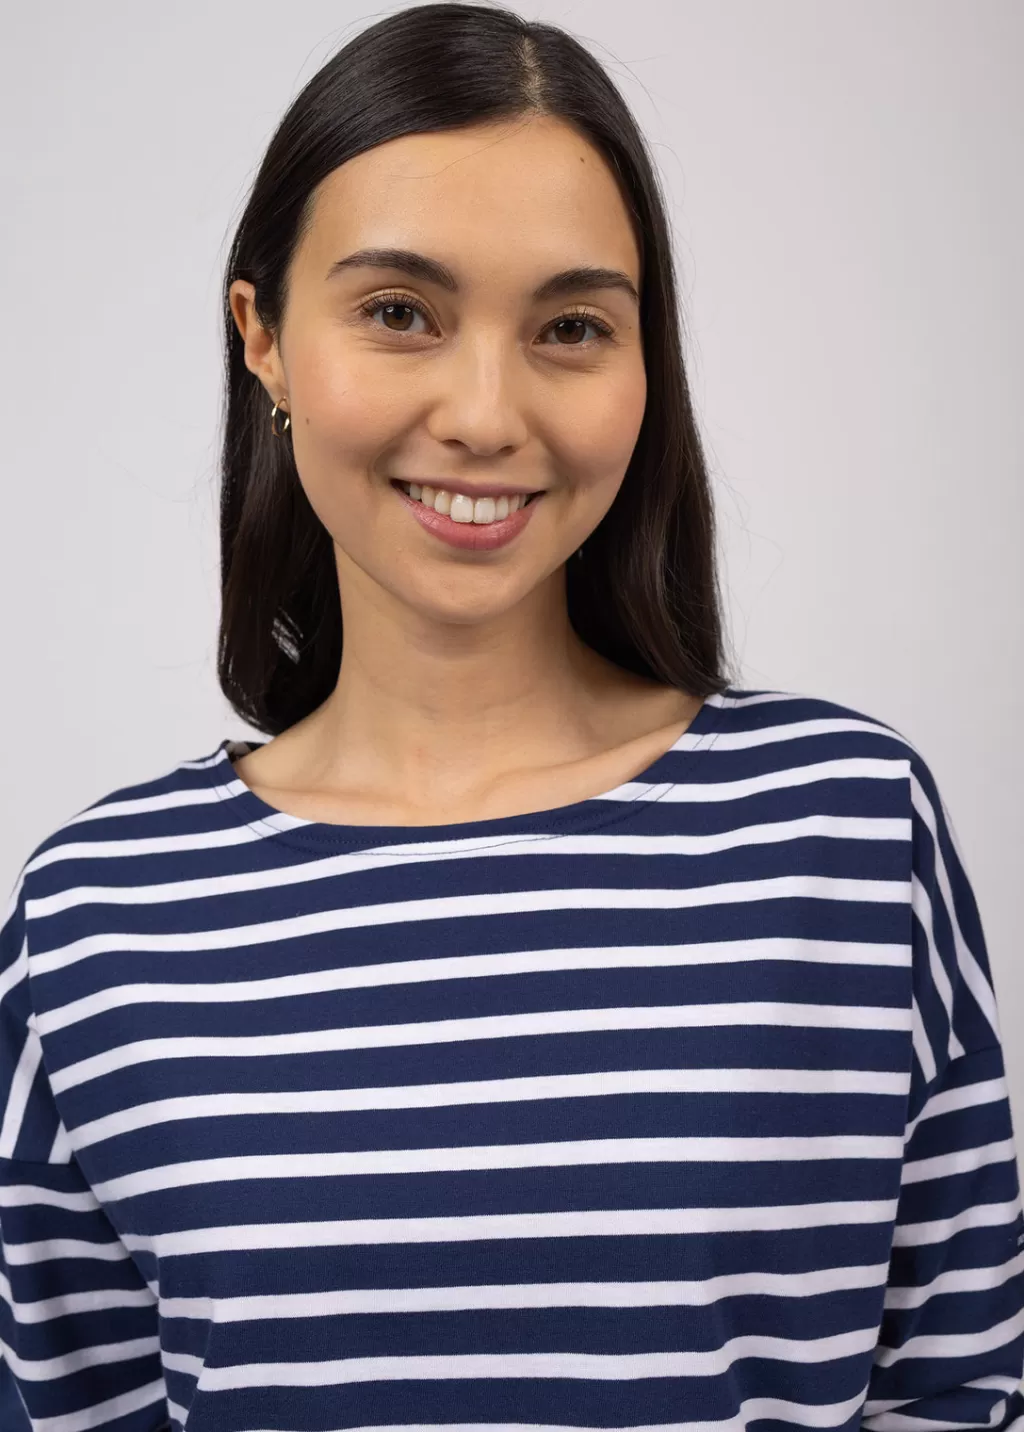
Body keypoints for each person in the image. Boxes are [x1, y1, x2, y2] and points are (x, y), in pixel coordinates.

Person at [2, 3, 1021, 1428]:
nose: (486, 414)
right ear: (264, 338)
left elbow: (963, 1389)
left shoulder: (844, 834)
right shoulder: (99, 915)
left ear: (645, 364)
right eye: (399, 312)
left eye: (571, 327)